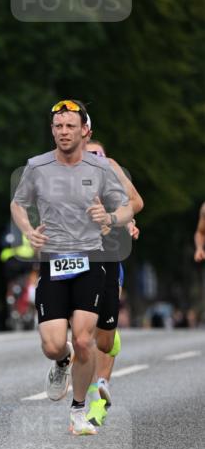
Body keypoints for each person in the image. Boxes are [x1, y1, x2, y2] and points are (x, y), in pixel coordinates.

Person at [11, 98, 134, 435]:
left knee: (84, 340)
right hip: (53, 261)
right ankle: (61, 360)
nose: (64, 132)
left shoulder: (101, 169)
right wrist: (28, 231)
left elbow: (127, 208)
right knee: (53, 344)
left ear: (84, 130)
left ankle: (79, 409)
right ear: (52, 131)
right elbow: (18, 204)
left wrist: (109, 217)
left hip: (92, 260)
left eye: (70, 126)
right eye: (58, 127)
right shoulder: (36, 167)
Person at [84, 133, 144, 426]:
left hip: (108, 258)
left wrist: (127, 222)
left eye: (100, 156)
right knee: (84, 330)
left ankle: (99, 395)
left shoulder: (111, 172)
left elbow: (130, 204)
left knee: (102, 330)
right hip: (75, 258)